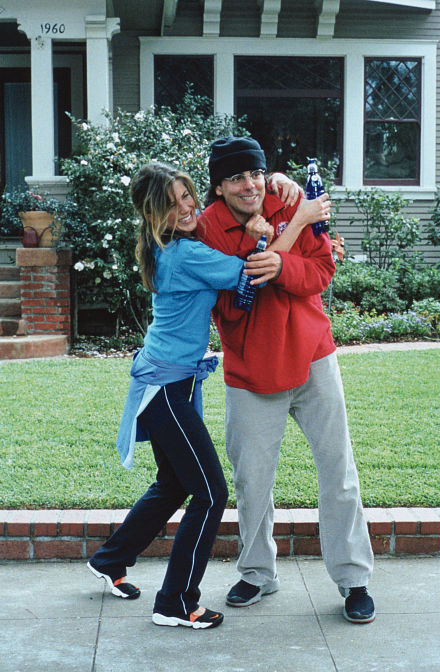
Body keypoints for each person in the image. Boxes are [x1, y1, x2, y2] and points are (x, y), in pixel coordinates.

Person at [86, 161, 324, 630]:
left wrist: (263, 217)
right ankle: (175, 602)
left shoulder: (169, 249)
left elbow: (242, 266)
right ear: (154, 214)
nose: (186, 207)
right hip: (167, 389)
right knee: (211, 493)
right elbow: (254, 274)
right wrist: (289, 223)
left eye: (187, 195)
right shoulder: (184, 254)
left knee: (175, 484)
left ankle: (110, 559)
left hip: (167, 382)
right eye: (172, 203)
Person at [199, 136, 376, 624]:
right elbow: (234, 302)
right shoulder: (207, 230)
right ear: (218, 186)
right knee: (252, 479)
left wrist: (284, 265)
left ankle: (353, 577)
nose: (249, 185)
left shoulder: (289, 198)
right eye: (235, 177)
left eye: (255, 173)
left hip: (314, 356)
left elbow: (321, 270)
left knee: (338, 471)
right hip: (251, 370)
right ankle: (258, 573)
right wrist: (271, 254)